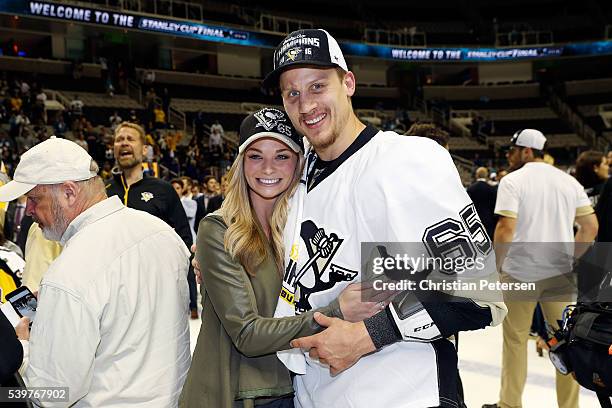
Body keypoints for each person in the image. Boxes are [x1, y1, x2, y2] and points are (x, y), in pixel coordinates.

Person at [262, 29, 507, 408]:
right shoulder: (300, 172)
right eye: (291, 92)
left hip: (402, 393)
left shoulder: (403, 160)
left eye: (317, 86)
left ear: (348, 83)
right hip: (317, 395)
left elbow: (476, 294)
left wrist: (366, 336)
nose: (305, 104)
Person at [180, 108, 386, 408]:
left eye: (281, 156)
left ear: (297, 163)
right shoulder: (220, 229)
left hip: (297, 391)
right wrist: (337, 310)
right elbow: (247, 334)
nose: (267, 168)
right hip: (239, 394)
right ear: (240, 163)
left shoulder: (300, 231)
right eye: (255, 156)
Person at [0, 136, 191, 406]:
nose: (28, 209)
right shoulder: (161, 232)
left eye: (33, 198)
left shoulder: (68, 273)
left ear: (69, 192)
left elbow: (52, 394)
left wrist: (26, 347)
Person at [484, 129, 598, 408]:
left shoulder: (512, 181)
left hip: (520, 273)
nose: (509, 156)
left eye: (512, 151)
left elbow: (505, 228)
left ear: (526, 151)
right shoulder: (568, 181)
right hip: (558, 273)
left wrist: (497, 268)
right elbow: (590, 227)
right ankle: (569, 406)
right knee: (566, 342)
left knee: (515, 342)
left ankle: (510, 404)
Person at [106, 122, 196, 317]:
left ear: (145, 149)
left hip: (155, 292)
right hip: (112, 294)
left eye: (131, 139)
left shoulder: (163, 190)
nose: (124, 143)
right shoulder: (103, 192)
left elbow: (184, 239)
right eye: (119, 140)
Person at [466, 167, 498, 240]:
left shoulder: (471, 189)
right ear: (486, 175)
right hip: (489, 221)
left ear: (477, 175)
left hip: (474, 221)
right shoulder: (491, 189)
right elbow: (494, 206)